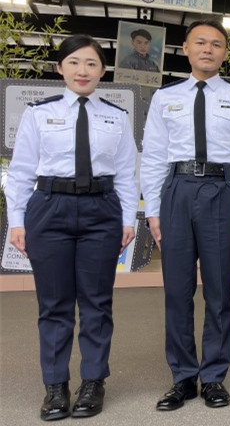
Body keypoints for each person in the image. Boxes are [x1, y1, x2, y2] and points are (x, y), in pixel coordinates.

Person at [5, 35, 137, 421]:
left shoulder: (116, 116)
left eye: (92, 63)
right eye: (75, 62)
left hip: (102, 210)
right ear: (60, 67)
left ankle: (93, 382)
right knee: (54, 304)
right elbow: (21, 172)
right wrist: (17, 221)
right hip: (49, 209)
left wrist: (128, 219)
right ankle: (55, 386)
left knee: (97, 302)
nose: (83, 71)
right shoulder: (38, 113)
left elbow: (127, 174)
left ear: (103, 71)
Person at [140, 19, 230, 411]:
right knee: (177, 291)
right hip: (176, 192)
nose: (208, 49)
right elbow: (153, 156)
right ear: (186, 48)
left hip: (222, 192)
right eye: (200, 42)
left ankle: (213, 377)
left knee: (218, 291)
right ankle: (182, 378)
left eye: (216, 44)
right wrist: (153, 211)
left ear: (225, 52)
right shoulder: (165, 98)